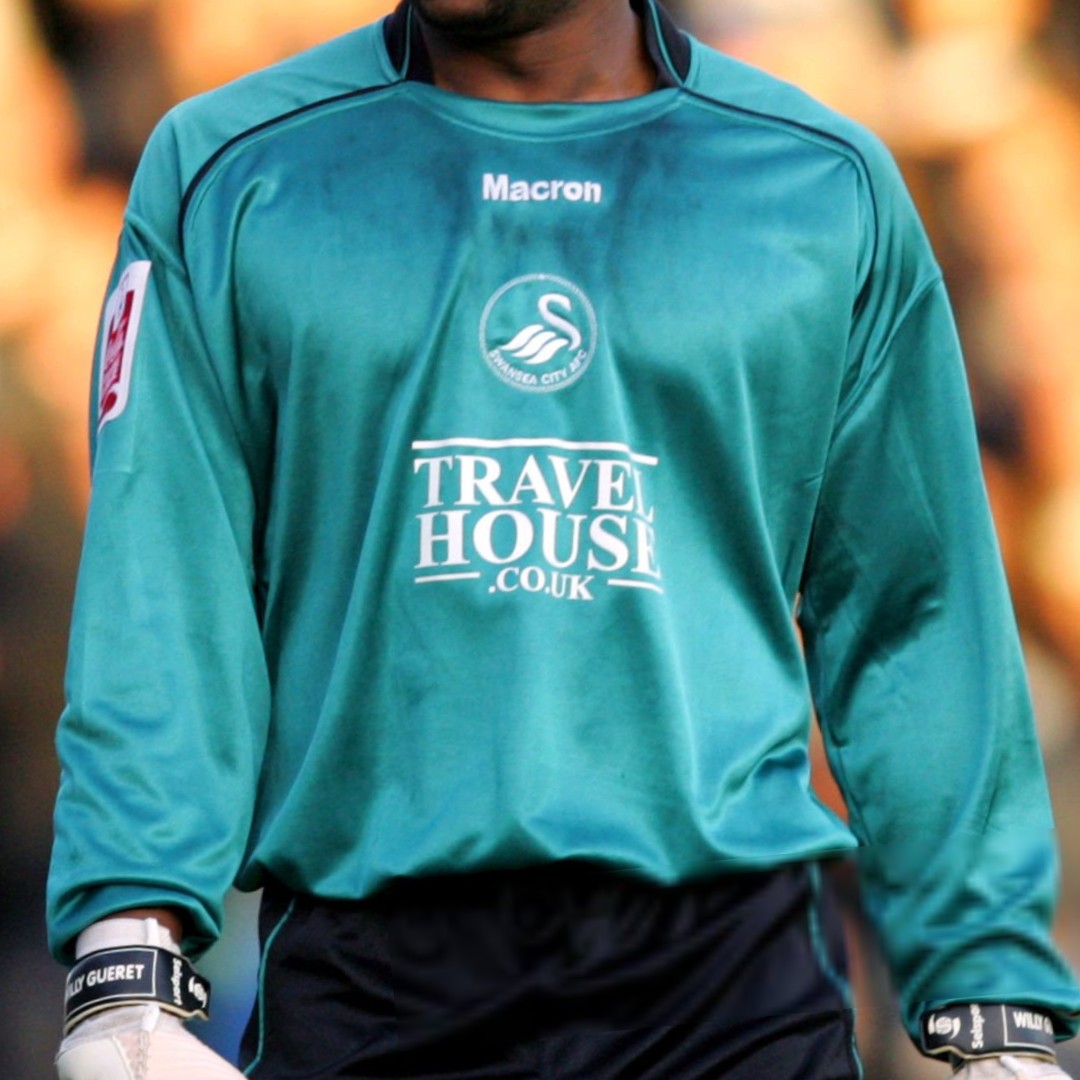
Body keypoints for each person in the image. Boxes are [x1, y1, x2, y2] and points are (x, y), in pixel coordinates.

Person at [47, 0, 1080, 1077]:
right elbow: (162, 581)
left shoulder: (822, 186)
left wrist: (995, 1011)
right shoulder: (231, 170)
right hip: (373, 990)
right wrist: (125, 955)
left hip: (730, 998)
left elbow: (918, 613)